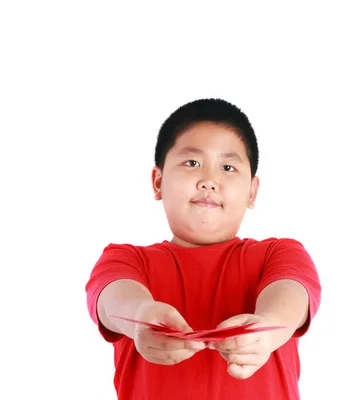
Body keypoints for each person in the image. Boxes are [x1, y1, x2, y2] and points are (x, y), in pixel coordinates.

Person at [85, 98, 321, 400]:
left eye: (228, 167)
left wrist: (269, 327)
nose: (209, 180)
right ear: (158, 181)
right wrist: (141, 315)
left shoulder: (280, 254)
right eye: (192, 163)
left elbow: (293, 295)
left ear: (252, 190)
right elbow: (111, 300)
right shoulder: (125, 259)